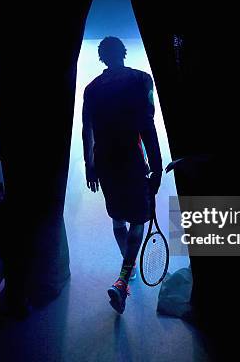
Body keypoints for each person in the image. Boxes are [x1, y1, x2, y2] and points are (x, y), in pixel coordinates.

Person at [82, 36, 162, 314]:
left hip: (105, 162)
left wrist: (89, 164)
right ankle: (123, 278)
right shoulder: (141, 80)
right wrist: (157, 163)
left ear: (102, 57)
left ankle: (126, 267)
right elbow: (147, 125)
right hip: (131, 160)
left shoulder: (92, 89)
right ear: (124, 52)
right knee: (139, 220)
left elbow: (86, 129)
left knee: (117, 216)